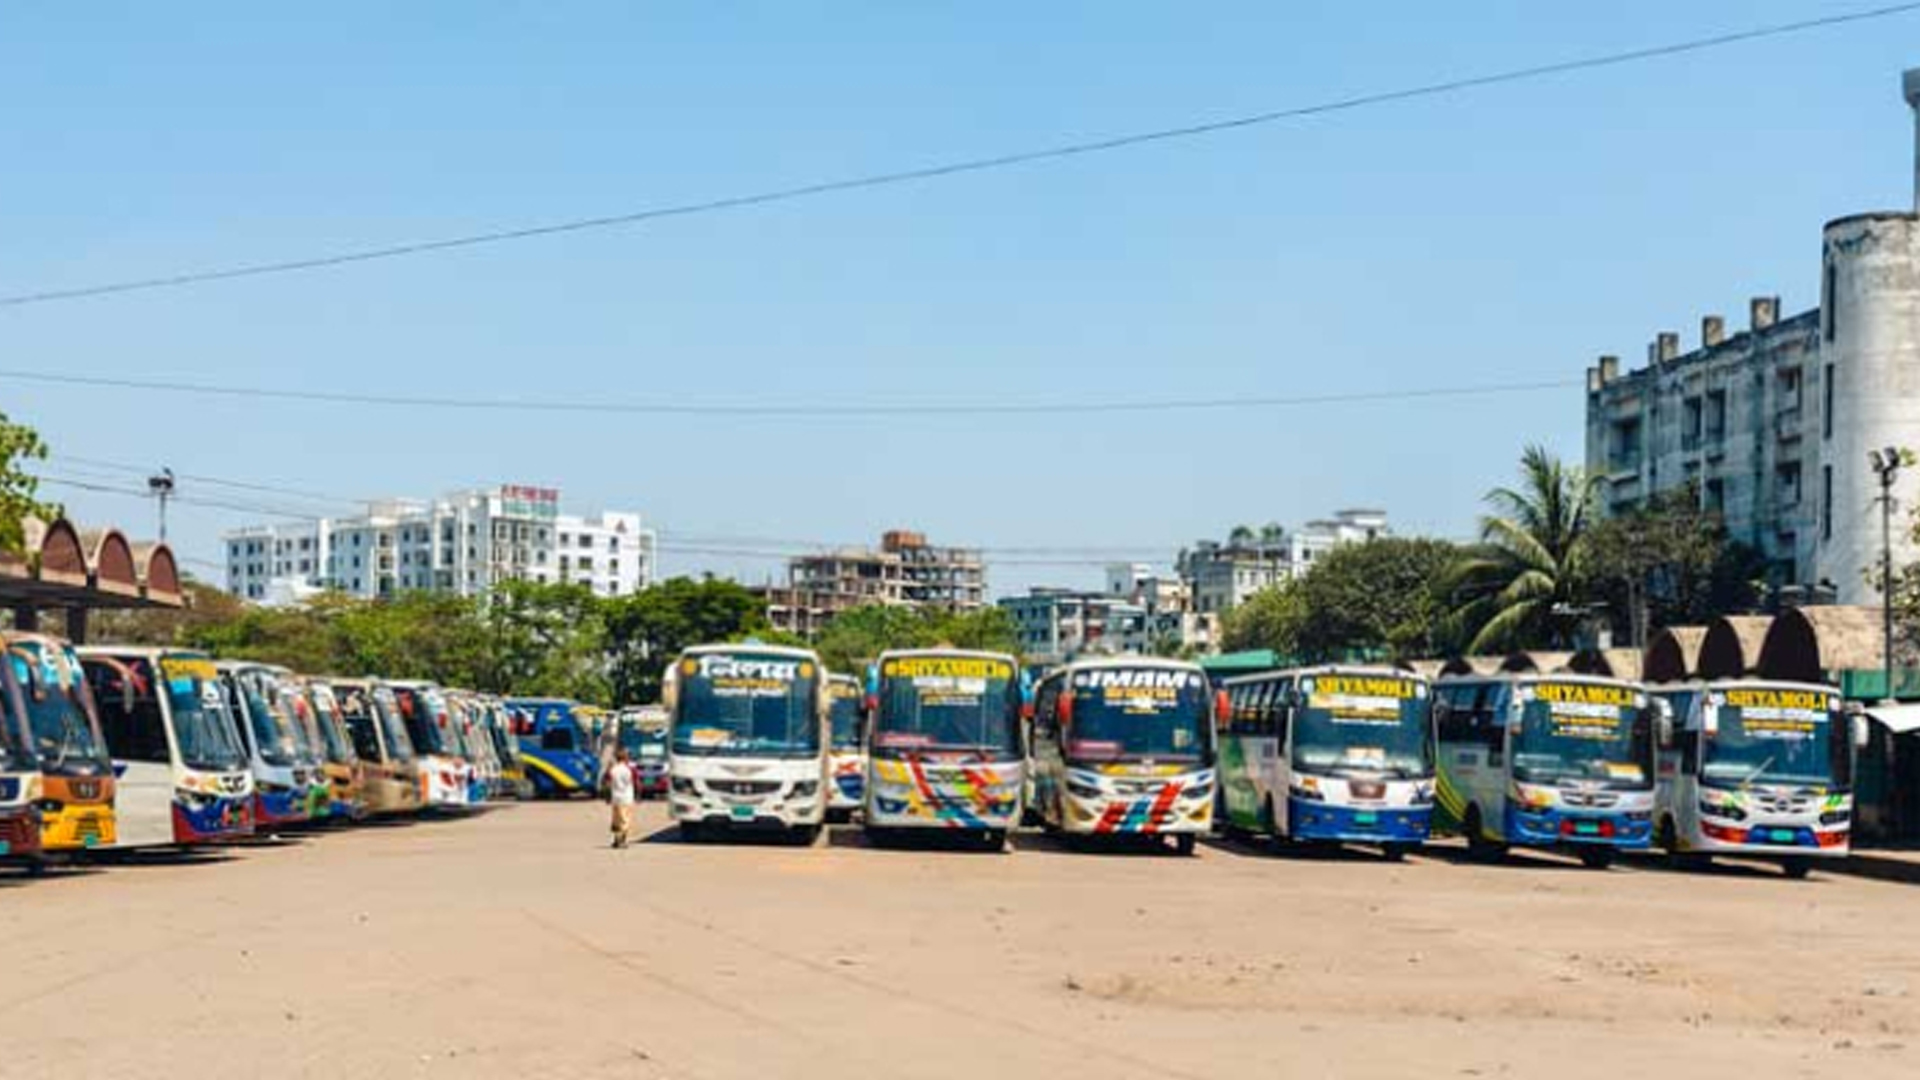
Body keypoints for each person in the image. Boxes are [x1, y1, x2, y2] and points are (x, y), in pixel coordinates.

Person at [606, 746, 638, 849]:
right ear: (625, 758)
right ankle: (622, 840)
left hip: (615, 798)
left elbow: (607, 783)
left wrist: (607, 796)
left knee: (616, 820)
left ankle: (616, 839)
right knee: (625, 820)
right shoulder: (630, 769)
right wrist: (638, 794)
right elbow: (636, 782)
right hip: (627, 798)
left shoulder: (613, 769)